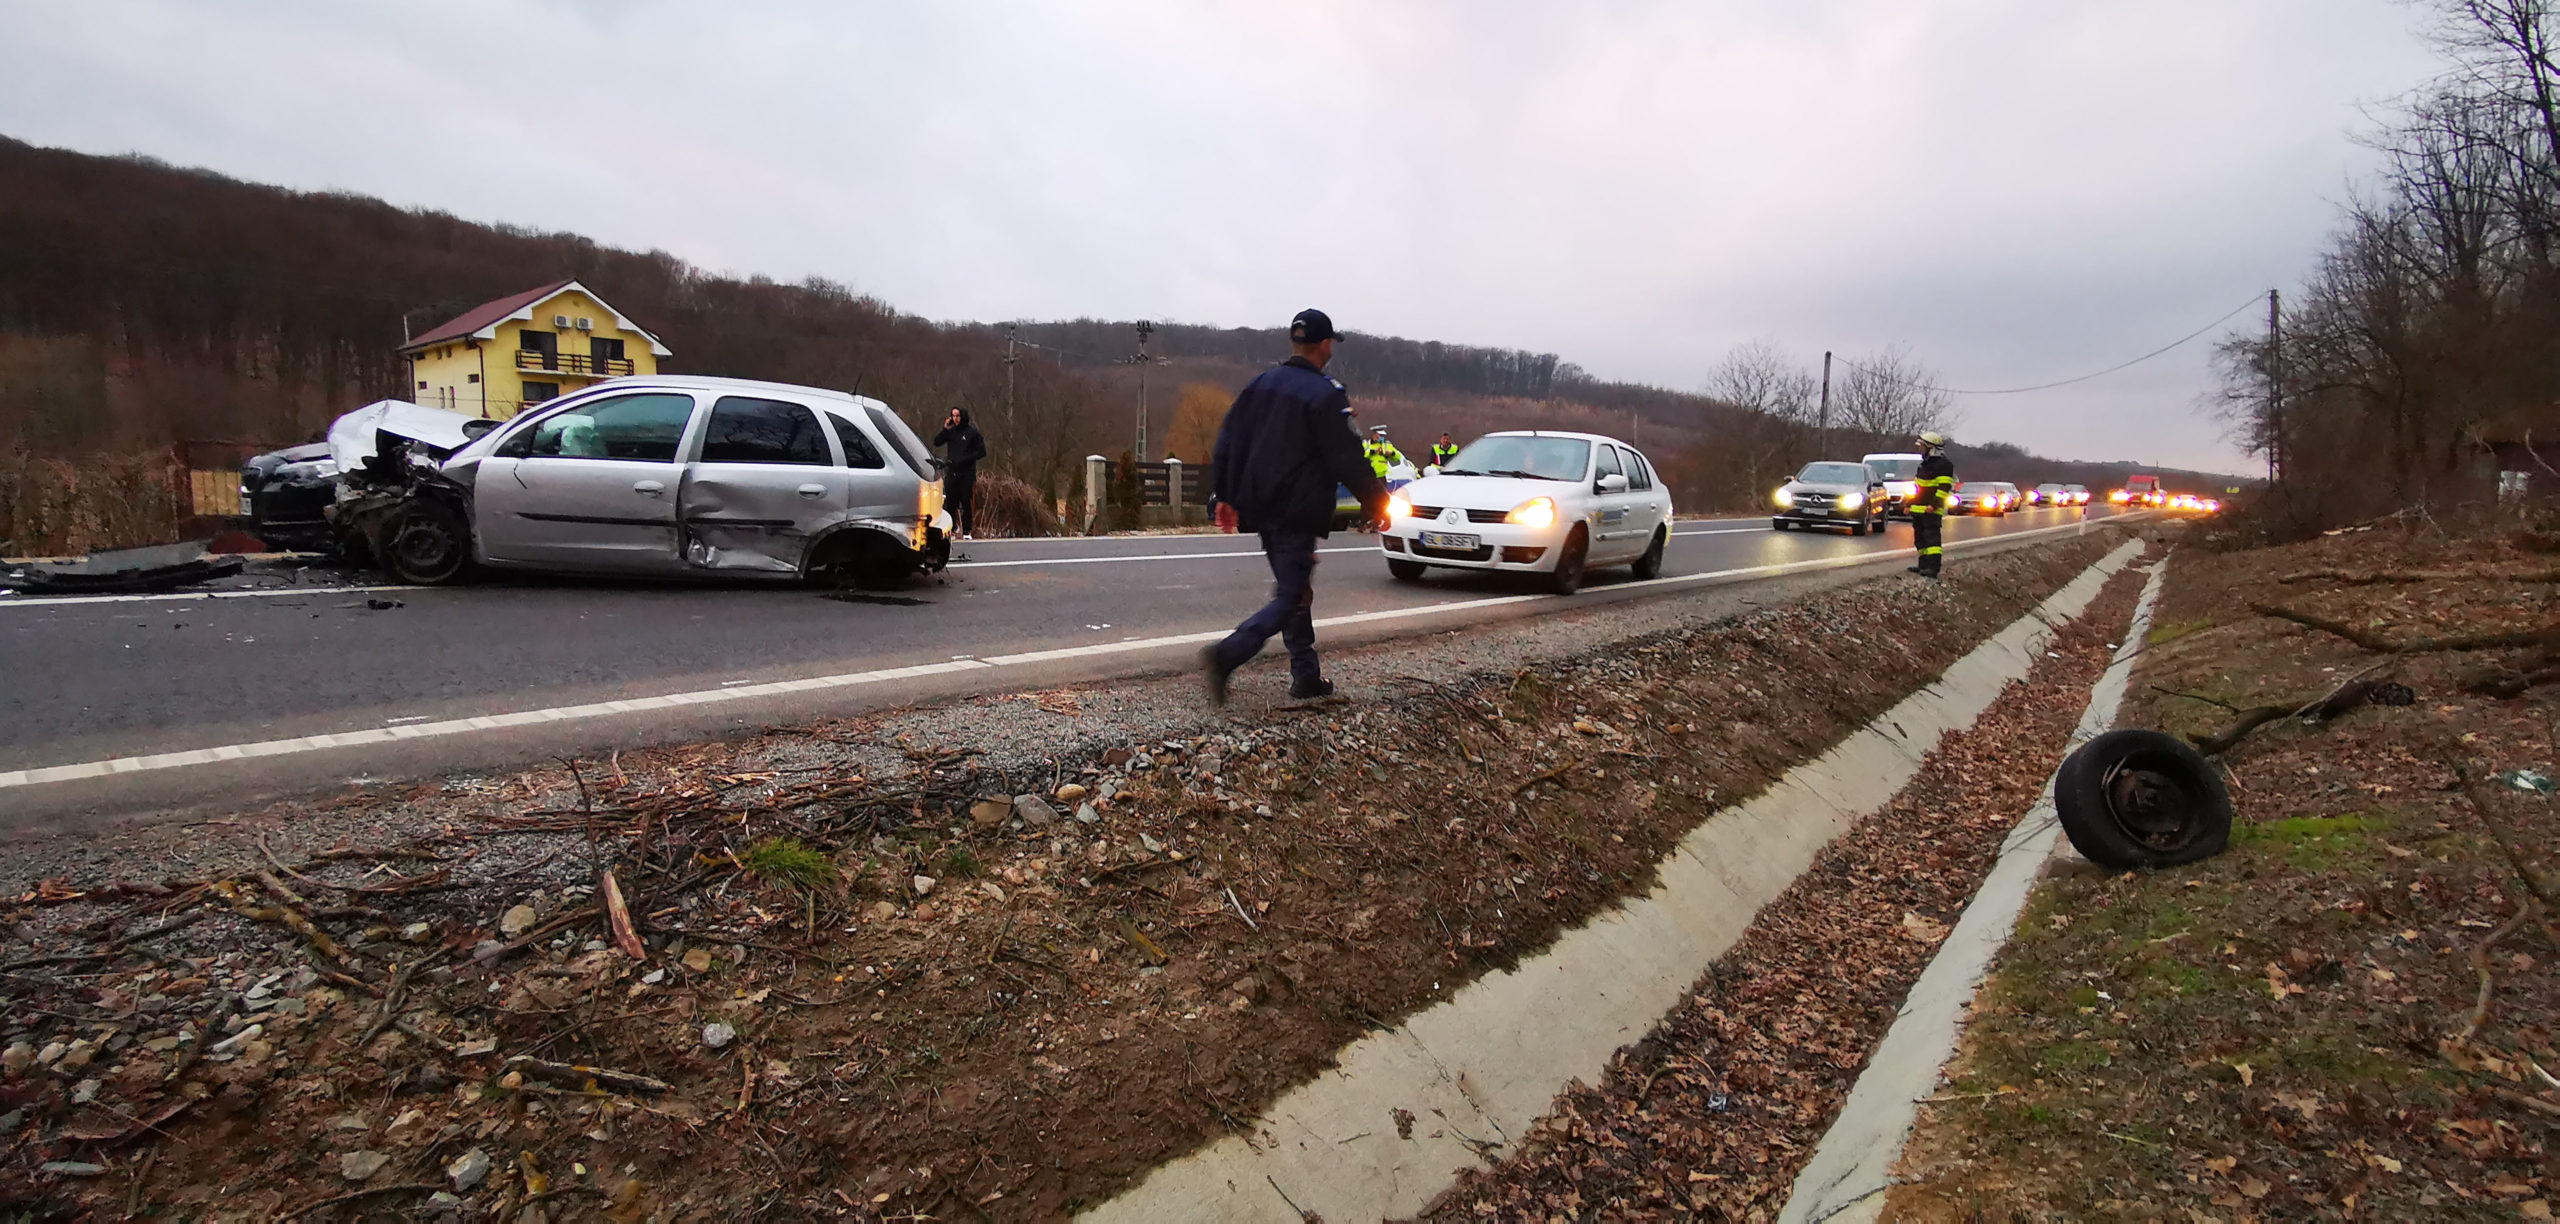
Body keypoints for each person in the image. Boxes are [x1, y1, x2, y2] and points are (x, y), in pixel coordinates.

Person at [1202, 308, 1388, 704]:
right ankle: (1227, 654)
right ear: (1325, 345)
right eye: (1330, 342)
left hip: (1261, 507)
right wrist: (1379, 503)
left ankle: (1306, 676)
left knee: (1296, 590)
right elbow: (1348, 458)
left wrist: (1222, 494)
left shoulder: (1260, 385)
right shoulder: (1325, 394)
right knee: (1290, 598)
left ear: (1294, 342)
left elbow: (1228, 440)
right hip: (1296, 509)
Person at [933, 406, 987, 540]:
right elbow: (937, 442)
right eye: (953, 416)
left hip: (966, 474)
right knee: (950, 502)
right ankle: (951, 528)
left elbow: (981, 452)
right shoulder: (951, 432)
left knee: (966, 502)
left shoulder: (972, 433)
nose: (955, 419)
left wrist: (965, 459)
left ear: (963, 416)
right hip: (952, 472)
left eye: (957, 416)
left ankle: (967, 530)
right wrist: (945, 429)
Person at [1909, 431, 1955, 578]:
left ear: (1931, 447)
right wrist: (1908, 503)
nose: (1920, 448)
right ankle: (1922, 565)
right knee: (1920, 539)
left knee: (1932, 540)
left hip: (1931, 510)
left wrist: (1934, 505)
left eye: (1922, 446)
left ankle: (1933, 568)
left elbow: (1943, 489)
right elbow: (1918, 489)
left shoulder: (1944, 465)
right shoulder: (1924, 464)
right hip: (1918, 509)